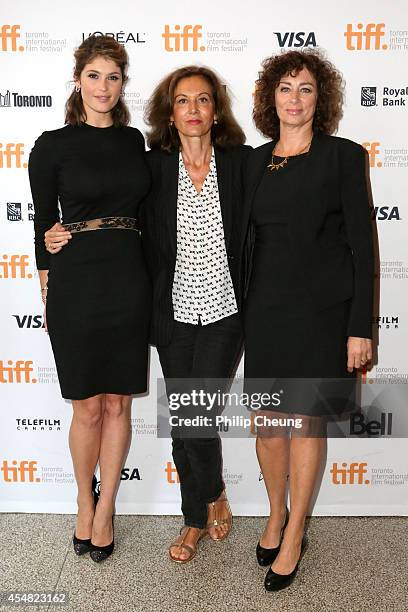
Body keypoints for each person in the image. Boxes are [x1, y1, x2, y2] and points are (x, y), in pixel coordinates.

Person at [242, 50, 373, 591]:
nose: (294, 99)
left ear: (322, 100)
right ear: (270, 97)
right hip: (264, 311)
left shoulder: (342, 156)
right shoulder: (253, 161)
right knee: (268, 426)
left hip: (321, 314)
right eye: (286, 88)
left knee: (303, 424)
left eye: (306, 90)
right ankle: (276, 511)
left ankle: (296, 531)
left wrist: (360, 325)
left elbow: (364, 246)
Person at [28, 35, 151, 563]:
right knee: (86, 406)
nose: (104, 87)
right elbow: (41, 224)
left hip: (128, 276)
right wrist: (47, 281)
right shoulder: (51, 144)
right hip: (76, 278)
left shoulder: (134, 142)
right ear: (78, 80)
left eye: (114, 77)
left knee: (118, 402)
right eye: (95, 76)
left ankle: (107, 511)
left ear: (123, 85)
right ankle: (84, 501)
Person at [141, 66, 251, 563]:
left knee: (194, 416)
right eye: (182, 100)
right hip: (173, 314)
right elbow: (112, 206)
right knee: (184, 420)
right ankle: (204, 506)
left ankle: (199, 512)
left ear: (215, 110)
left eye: (202, 99)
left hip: (225, 312)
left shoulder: (241, 164)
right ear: (170, 112)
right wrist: (57, 236)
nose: (192, 109)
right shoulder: (153, 168)